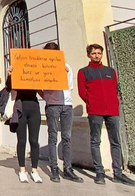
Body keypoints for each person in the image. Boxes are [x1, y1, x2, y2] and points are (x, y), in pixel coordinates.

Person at [78, 44, 135, 187]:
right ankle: (99, 172)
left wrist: (113, 103)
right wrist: (92, 102)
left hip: (112, 111)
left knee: (115, 141)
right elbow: (82, 92)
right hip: (95, 111)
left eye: (99, 53)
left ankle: (118, 173)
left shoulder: (110, 71)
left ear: (102, 54)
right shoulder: (84, 72)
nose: (97, 55)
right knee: (95, 141)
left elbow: (115, 89)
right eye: (94, 53)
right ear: (89, 55)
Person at [42, 42, 83, 183]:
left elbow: (70, 86)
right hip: (53, 105)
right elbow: (40, 86)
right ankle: (54, 168)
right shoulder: (44, 68)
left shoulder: (67, 67)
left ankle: (68, 168)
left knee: (67, 137)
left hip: (67, 105)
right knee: (52, 137)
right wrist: (47, 98)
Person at [6, 68, 43, 184]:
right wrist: (10, 75)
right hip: (20, 107)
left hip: (34, 108)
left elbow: (44, 90)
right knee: (21, 141)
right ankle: (22, 169)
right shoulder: (17, 72)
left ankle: (34, 170)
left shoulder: (36, 72)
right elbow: (8, 88)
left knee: (34, 141)